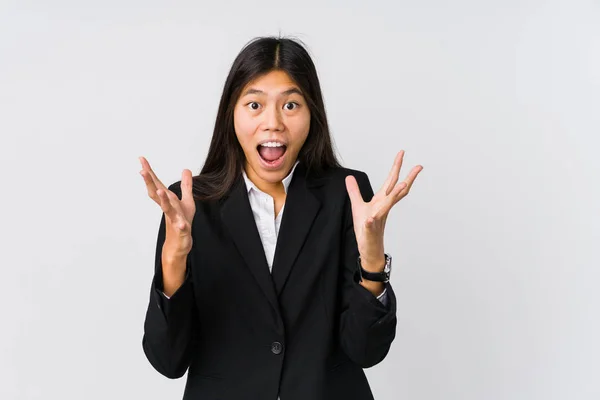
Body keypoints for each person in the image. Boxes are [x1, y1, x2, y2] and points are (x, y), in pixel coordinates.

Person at [138, 36, 423, 400]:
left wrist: (372, 260)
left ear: (311, 113)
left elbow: (366, 350)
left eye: (291, 105)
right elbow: (168, 360)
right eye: (254, 104)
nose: (272, 122)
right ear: (231, 113)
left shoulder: (346, 194)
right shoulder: (190, 204)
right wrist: (173, 259)